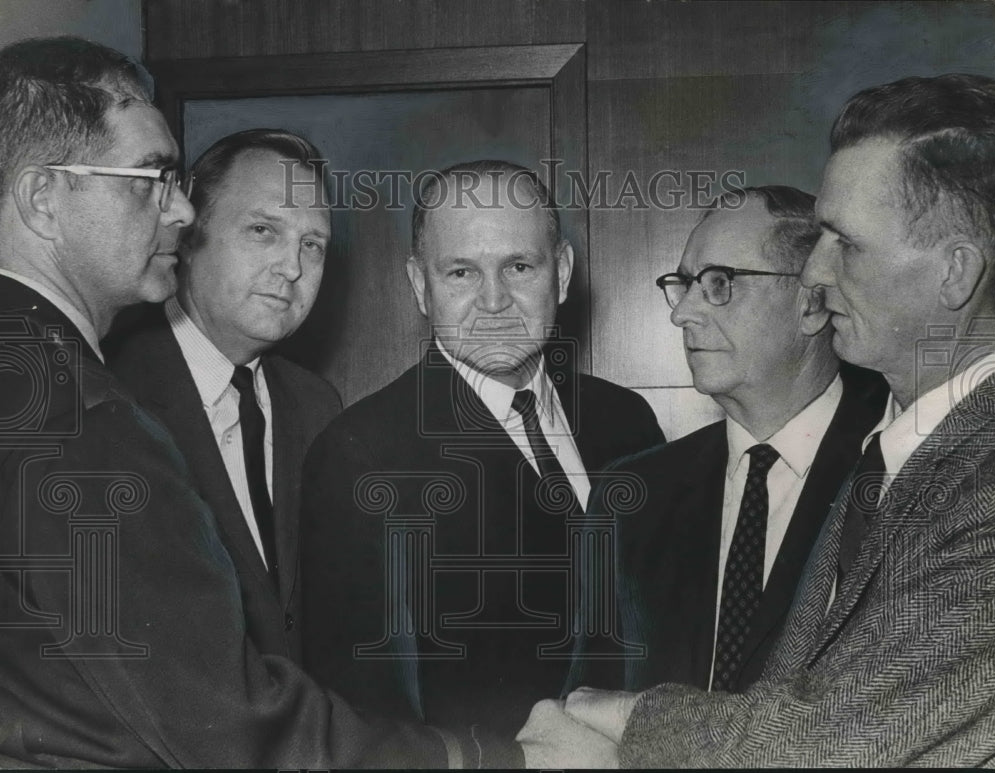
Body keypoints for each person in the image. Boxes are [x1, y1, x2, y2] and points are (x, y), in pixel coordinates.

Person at [0, 35, 493, 769]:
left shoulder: (316, 407)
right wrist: (479, 757)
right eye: (150, 179)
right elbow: (222, 720)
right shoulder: (94, 410)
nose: (176, 214)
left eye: (315, 245)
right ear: (44, 198)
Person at [518, 73, 995, 768]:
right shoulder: (892, 453)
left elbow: (830, 737)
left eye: (845, 244)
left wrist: (619, 720)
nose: (817, 273)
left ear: (956, 273)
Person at [300, 160, 666, 741]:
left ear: (562, 273)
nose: (494, 302)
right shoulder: (360, 456)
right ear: (421, 286)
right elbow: (369, 715)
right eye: (462, 273)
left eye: (519, 266)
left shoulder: (627, 421)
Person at [570, 186, 887, 696]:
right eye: (685, 285)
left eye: (719, 282)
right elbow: (589, 701)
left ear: (811, 302)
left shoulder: (902, 469)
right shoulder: (631, 496)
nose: (682, 314)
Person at [107, 130, 341, 663]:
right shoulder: (112, 391)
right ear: (187, 237)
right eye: (263, 231)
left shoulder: (317, 406)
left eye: (313, 244)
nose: (292, 268)